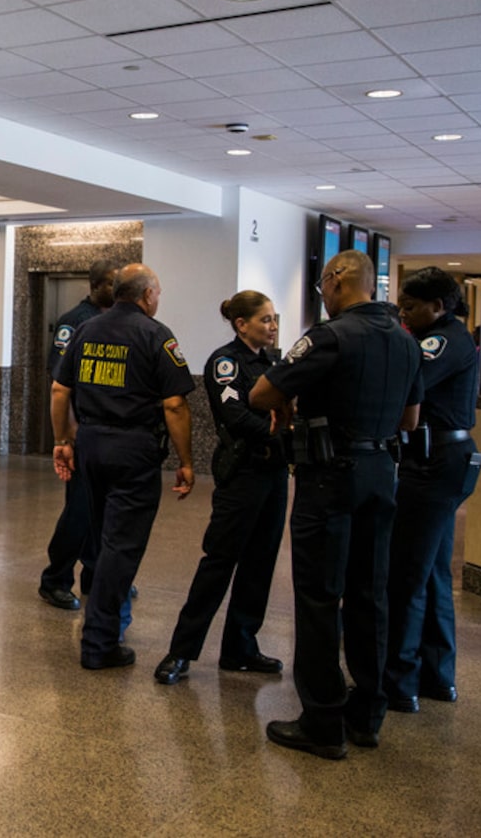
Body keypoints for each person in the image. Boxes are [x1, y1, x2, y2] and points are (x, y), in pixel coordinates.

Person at [250, 250, 422, 760]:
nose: (322, 294)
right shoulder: (407, 342)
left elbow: (261, 393)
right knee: (370, 595)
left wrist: (289, 402)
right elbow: (410, 422)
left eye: (324, 284)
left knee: (320, 597)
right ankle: (367, 714)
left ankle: (323, 722)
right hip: (381, 475)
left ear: (339, 280)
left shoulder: (330, 336)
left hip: (330, 478)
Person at [51, 263, 195, 670]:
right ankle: (99, 643)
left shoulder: (87, 330)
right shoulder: (155, 333)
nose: (158, 299)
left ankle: (98, 627)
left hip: (91, 445)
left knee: (101, 538)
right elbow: (175, 404)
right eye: (158, 292)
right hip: (133, 449)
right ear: (147, 294)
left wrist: (63, 440)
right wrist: (186, 462)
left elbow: (60, 389)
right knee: (121, 547)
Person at [154, 291, 287, 685]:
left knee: (260, 564)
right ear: (241, 324)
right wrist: (282, 433)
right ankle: (181, 651)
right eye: (265, 320)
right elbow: (235, 415)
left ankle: (241, 648)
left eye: (274, 319)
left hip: (274, 474)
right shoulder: (225, 362)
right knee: (219, 563)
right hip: (242, 473)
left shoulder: (273, 363)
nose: (273, 326)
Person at [385, 267, 481, 714]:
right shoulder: (449, 335)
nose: (403, 314)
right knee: (435, 574)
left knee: (407, 574)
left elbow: (406, 377)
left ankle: (400, 683)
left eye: (410, 307)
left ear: (438, 306)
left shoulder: (442, 340)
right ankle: (438, 676)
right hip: (443, 461)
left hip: (435, 464)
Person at [38, 260, 118, 611]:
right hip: (81, 431)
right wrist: (66, 437)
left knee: (103, 511)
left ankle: (95, 576)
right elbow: (61, 384)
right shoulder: (74, 321)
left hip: (108, 432)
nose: (118, 293)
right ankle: (55, 579)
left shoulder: (115, 321)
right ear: (97, 285)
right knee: (79, 511)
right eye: (113, 286)